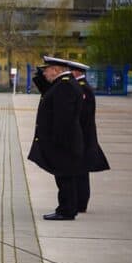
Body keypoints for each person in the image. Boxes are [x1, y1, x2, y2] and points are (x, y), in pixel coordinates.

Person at [28, 56, 86, 221]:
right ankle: (67, 208)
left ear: (56, 70)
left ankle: (66, 210)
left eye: (47, 70)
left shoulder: (64, 86)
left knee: (65, 178)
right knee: (64, 177)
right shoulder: (63, 84)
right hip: (67, 142)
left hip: (64, 143)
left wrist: (57, 142)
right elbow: (45, 87)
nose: (45, 73)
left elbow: (64, 118)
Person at [66, 59, 110, 212]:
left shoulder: (82, 88)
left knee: (81, 171)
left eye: (70, 71)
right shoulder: (80, 87)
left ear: (77, 72)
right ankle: (79, 202)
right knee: (79, 170)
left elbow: (82, 115)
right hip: (83, 136)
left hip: (83, 137)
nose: (69, 74)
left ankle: (81, 203)